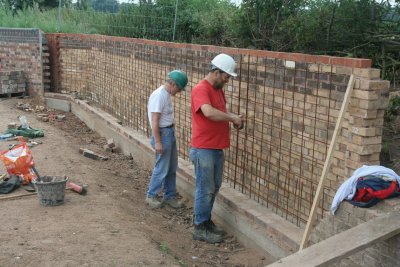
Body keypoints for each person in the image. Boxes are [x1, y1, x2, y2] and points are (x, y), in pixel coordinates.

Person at [190, 54, 245, 243]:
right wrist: (232, 118)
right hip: (203, 148)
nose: (227, 81)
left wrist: (234, 117)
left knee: (214, 187)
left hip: (216, 147)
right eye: (226, 77)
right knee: (205, 188)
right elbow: (209, 112)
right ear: (216, 72)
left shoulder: (218, 90)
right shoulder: (201, 89)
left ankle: (206, 222)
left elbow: (221, 112)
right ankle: (199, 227)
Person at [145, 70, 188, 209]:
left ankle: (169, 196)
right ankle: (151, 195)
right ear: (173, 84)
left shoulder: (167, 94)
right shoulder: (159, 95)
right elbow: (155, 120)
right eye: (179, 88)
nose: (179, 92)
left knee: (171, 167)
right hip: (163, 134)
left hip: (168, 132)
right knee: (162, 167)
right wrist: (158, 141)